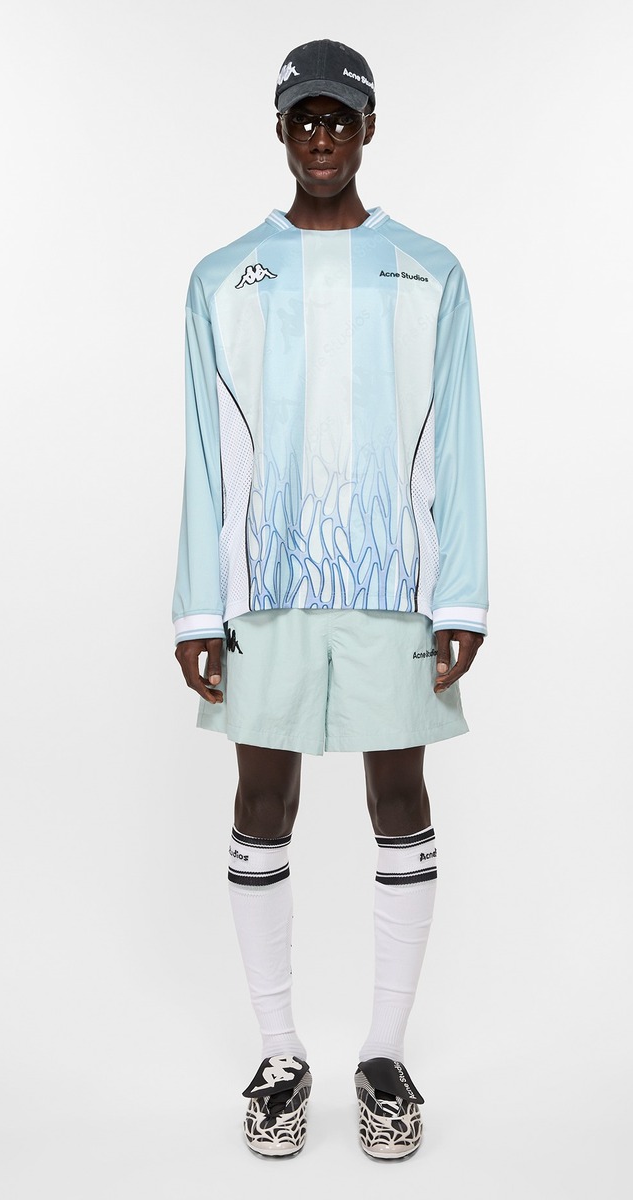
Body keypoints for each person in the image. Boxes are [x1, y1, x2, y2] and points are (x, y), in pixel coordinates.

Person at [172, 39, 488, 1161]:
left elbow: (458, 435)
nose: (320, 136)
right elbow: (203, 452)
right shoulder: (222, 277)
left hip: (393, 587)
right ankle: (280, 1057)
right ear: (279, 130)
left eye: (338, 118)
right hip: (263, 591)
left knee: (398, 796)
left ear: (367, 129)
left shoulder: (428, 271)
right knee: (263, 802)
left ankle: (384, 1056)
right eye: (303, 118)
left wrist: (461, 594)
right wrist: (195, 607)